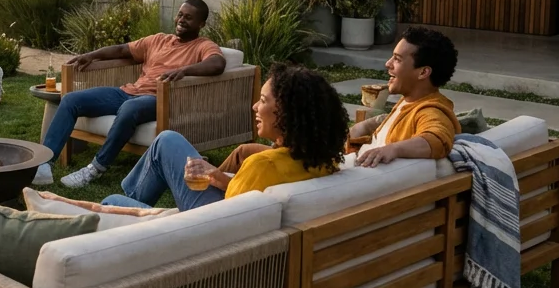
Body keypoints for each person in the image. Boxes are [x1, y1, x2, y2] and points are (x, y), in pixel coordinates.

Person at [34, 0, 226, 189]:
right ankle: (45, 165)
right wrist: (92, 55)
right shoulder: (159, 40)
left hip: (159, 99)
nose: (182, 20)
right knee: (71, 100)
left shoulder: (203, 45)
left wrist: (185, 71)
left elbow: (218, 63)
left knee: (129, 107)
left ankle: (95, 168)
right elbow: (121, 49)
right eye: (180, 15)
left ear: (201, 24)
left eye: (189, 18)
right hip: (128, 92)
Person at [101, 63, 346, 211]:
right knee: (167, 140)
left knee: (111, 203)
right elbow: (242, 196)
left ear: (287, 113)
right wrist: (218, 177)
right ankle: (131, 203)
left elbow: (227, 219)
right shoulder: (324, 160)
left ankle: (127, 211)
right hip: (229, 225)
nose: (254, 107)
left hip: (204, 232)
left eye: (262, 101)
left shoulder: (264, 165)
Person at [351, 27, 461, 168]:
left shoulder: (431, 111)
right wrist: (366, 126)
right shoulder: (411, 100)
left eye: (397, 59)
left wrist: (393, 149)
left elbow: (437, 139)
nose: (388, 64)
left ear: (423, 72)